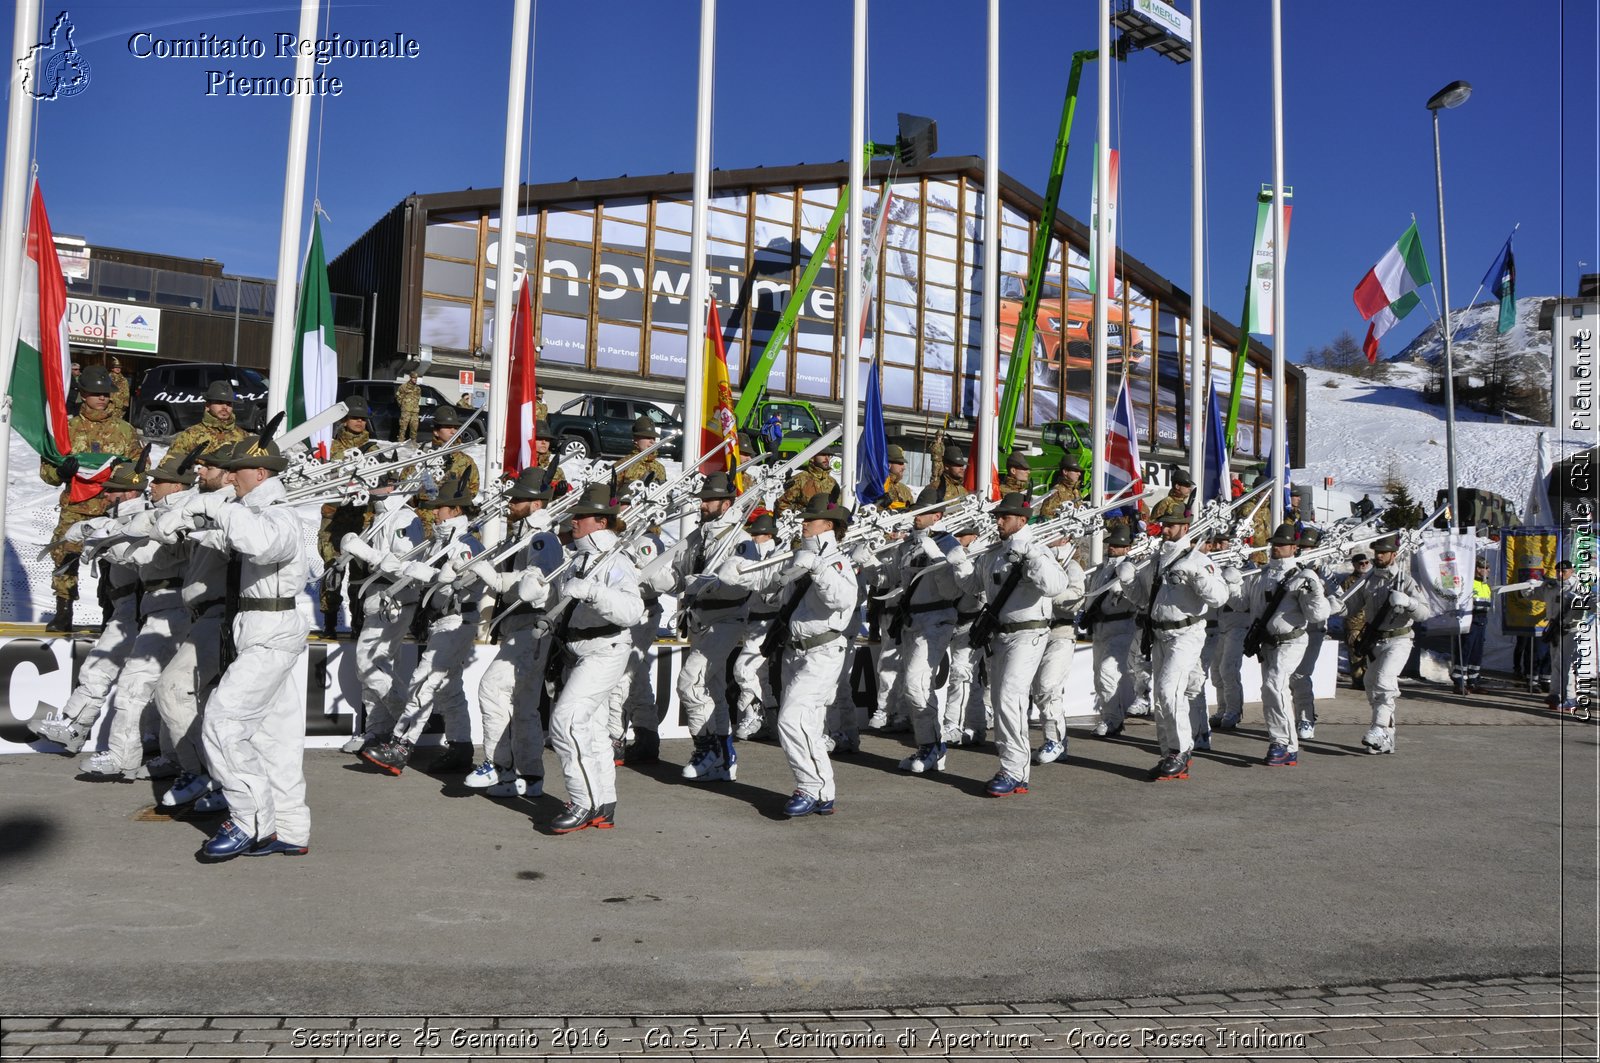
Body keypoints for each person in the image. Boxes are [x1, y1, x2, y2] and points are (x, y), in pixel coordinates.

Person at [154, 432, 312, 862]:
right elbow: (234, 540)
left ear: (260, 473)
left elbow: (262, 543)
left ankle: (249, 822)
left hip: (271, 628)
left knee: (222, 722)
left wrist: (212, 505)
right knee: (273, 737)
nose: (231, 478)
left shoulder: (279, 514)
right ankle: (291, 827)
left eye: (238, 471)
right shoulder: (258, 512)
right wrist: (188, 521)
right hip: (259, 626)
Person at [722, 495, 857, 817]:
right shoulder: (800, 554)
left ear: (830, 525)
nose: (804, 522)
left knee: (791, 720)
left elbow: (842, 600)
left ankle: (808, 787)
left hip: (823, 651)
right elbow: (770, 581)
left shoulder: (837, 561)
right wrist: (738, 575)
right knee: (807, 725)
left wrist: (820, 569)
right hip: (793, 651)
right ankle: (824, 792)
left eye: (812, 518)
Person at [531, 484, 646, 833]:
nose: (574, 521)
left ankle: (582, 801)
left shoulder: (616, 561)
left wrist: (595, 592)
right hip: (577, 650)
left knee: (566, 722)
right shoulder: (580, 557)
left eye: (580, 516)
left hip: (605, 648)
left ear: (600, 520)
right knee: (592, 732)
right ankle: (603, 802)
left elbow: (632, 611)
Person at [27, 458, 149, 767]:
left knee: (137, 686)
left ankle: (145, 748)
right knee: (97, 669)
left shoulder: (144, 521)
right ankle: (74, 726)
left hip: (142, 611)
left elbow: (136, 552)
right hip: (123, 609)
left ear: (131, 493)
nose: (106, 496)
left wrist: (101, 541)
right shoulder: (116, 519)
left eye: (113, 491)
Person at [358, 474, 482, 776]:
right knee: (447, 689)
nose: (434, 512)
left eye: (440, 507)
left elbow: (461, 584)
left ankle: (401, 745)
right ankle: (460, 747)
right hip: (442, 619)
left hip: (456, 619)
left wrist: (426, 575)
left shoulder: (464, 544)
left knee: (422, 682)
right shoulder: (444, 541)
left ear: (454, 511)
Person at [454, 466, 564, 796]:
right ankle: (528, 777)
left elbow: (536, 586)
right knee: (524, 706)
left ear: (535, 504)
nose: (511, 504)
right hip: (521, 625)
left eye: (518, 499)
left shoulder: (542, 538)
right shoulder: (524, 535)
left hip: (532, 624)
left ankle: (498, 764)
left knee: (491, 688)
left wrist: (498, 579)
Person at [645, 472, 758, 783]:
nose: (703, 505)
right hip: (700, 620)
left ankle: (705, 749)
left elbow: (745, 584)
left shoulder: (739, 539)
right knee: (714, 691)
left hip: (727, 618)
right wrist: (654, 580)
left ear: (726, 503)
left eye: (709, 500)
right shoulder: (698, 537)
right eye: (702, 500)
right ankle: (725, 756)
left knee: (690, 682)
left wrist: (711, 585)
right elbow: (680, 577)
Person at [955, 491, 1070, 796]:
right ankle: (1013, 768)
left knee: (1009, 698)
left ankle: (1013, 769)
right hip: (999, 635)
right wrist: (959, 564)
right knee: (1000, 701)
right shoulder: (993, 552)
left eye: (1004, 517)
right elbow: (973, 586)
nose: (999, 521)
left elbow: (1056, 586)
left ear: (1022, 519)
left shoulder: (1037, 549)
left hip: (1028, 633)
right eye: (997, 516)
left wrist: (1031, 558)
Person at [149, 443, 238, 812]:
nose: (199, 473)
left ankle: (201, 771)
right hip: (202, 616)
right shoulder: (204, 506)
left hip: (221, 617)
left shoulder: (231, 509)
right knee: (205, 706)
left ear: (231, 474)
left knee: (171, 689)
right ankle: (214, 777)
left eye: (209, 468)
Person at [1125, 510, 1228, 780]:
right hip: (1158, 635)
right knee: (1162, 696)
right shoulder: (1156, 562)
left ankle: (1180, 751)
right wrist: (1127, 581)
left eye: (1171, 526)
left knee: (1169, 690)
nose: (1166, 530)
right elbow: (1141, 598)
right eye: (1164, 525)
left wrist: (1197, 577)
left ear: (1185, 528)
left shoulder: (1199, 560)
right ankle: (1169, 752)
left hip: (1186, 634)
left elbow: (1219, 597)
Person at [39, 365, 141, 632]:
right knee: (64, 557)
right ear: (82, 394)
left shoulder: (125, 430)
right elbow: (47, 472)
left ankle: (112, 613)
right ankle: (64, 611)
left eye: (106, 393)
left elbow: (140, 468)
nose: (102, 398)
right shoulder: (67, 429)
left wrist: (123, 479)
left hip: (113, 508)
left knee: (115, 563)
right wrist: (60, 471)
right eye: (96, 393)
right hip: (76, 506)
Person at [334, 474, 426, 756]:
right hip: (377, 597)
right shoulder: (380, 515)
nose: (370, 489)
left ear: (392, 486)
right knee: (378, 668)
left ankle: (405, 726)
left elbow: (407, 567)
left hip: (396, 599)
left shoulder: (404, 519)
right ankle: (377, 729)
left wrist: (365, 552)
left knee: (368, 664)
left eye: (377, 482)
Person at [882, 488, 970, 774]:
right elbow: (891, 580)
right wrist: (870, 562)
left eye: (922, 512)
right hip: (910, 622)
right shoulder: (908, 544)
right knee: (915, 687)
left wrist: (939, 561)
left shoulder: (947, 543)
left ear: (938, 515)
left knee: (916, 684)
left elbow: (953, 590)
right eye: (915, 512)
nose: (916, 517)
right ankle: (929, 746)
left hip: (936, 620)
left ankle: (933, 746)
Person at [1332, 534, 1430, 754]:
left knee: (1385, 681)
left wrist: (1408, 602)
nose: (1379, 556)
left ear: (1393, 555)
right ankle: (1387, 736)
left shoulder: (1404, 580)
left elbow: (1425, 612)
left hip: (1399, 639)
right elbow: (1350, 606)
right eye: (1376, 552)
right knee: (1370, 682)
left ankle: (1378, 728)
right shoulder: (1368, 580)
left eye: (1383, 552)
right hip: (1375, 640)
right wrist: (1334, 604)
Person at [1247, 523, 1329, 767]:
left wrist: (1314, 591)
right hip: (1267, 642)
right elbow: (1252, 607)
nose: (1277, 548)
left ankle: (1280, 742)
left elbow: (1318, 614)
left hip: (1291, 641)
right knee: (1270, 690)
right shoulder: (1264, 575)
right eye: (1274, 544)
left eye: (1282, 544)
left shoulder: (1304, 576)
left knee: (1275, 685)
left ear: (1294, 547)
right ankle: (1288, 747)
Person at [317, 397, 380, 638]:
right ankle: (330, 624)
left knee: (359, 577)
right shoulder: (330, 448)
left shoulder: (375, 450)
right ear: (345, 420)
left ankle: (358, 625)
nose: (359, 422)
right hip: (334, 523)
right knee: (333, 573)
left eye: (363, 419)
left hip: (362, 522)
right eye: (355, 418)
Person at [1030, 521, 1087, 767]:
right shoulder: (1039, 563)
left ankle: (1055, 740)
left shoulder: (1071, 565)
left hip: (1060, 633)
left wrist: (1049, 594)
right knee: (1036, 690)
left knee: (1048, 686)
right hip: (1035, 632)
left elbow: (1076, 598)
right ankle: (1056, 741)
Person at [1081, 523, 1140, 738]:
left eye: (1118, 545)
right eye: (1111, 544)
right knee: (1099, 675)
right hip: (1100, 626)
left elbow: (1137, 599)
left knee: (1108, 672)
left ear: (1127, 548)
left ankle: (1113, 719)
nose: (1112, 548)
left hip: (1122, 626)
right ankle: (1111, 717)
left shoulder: (1131, 570)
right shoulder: (1101, 569)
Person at [732, 510, 782, 741]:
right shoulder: (751, 555)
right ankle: (770, 719)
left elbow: (776, 592)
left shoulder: (779, 557)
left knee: (743, 668)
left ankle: (756, 714)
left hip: (768, 621)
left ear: (769, 536)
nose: (754, 539)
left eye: (759, 535)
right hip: (751, 620)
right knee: (759, 675)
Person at [1526, 559, 1590, 714]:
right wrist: (1527, 587)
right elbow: (1533, 595)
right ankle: (1555, 694)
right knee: (1555, 662)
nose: (1560, 574)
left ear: (1571, 571)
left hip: (1571, 630)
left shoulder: (1578, 587)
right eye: (1558, 571)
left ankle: (1569, 698)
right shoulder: (1552, 587)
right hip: (1555, 630)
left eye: (1564, 571)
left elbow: (1589, 604)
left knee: (1566, 665)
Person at [160, 380, 248, 471]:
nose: (225, 407)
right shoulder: (190, 435)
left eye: (229, 403)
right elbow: (169, 466)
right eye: (219, 402)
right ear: (207, 405)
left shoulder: (243, 436)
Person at [1455, 556, 1493, 695]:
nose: (1486, 571)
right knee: (1465, 652)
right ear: (1477, 569)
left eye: (1487, 568)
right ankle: (1459, 682)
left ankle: (1473, 682)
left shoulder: (1485, 585)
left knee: (1477, 654)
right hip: (1470, 621)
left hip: (1482, 622)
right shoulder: (1469, 583)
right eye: (1483, 568)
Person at [775, 445, 839, 514]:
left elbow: (836, 506)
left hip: (824, 523)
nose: (827, 459)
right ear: (812, 457)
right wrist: (801, 512)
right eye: (823, 455)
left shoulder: (832, 482)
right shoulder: (799, 479)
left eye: (829, 456)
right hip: (803, 522)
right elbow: (781, 505)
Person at [1341, 554, 1373, 687]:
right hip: (1354, 623)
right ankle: (1359, 681)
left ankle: (1370, 679)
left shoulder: (1373, 578)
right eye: (1361, 563)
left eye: (1366, 562)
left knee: (1371, 652)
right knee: (1356, 652)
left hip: (1371, 621)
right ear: (1354, 565)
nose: (1364, 565)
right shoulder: (1348, 582)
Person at [615, 417, 667, 494]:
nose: (652, 441)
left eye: (653, 438)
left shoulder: (660, 468)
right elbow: (611, 495)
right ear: (636, 439)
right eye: (647, 437)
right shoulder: (623, 465)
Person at [1038, 454, 1088, 519]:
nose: (1079, 474)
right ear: (1065, 472)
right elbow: (1046, 517)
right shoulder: (1057, 492)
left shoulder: (1075, 491)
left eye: (1079, 471)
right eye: (1075, 471)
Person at [881, 445, 915, 509]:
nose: (903, 467)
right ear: (888, 464)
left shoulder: (904, 489)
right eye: (900, 463)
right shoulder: (878, 487)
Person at [395, 371, 422, 442]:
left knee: (414, 427)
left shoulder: (418, 388)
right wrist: (403, 405)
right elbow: (398, 397)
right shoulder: (403, 387)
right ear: (410, 378)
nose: (415, 379)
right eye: (413, 378)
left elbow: (418, 398)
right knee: (403, 427)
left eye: (416, 378)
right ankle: (400, 441)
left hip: (415, 411)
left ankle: (413, 441)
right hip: (406, 411)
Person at [107, 356, 131, 421]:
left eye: (119, 367)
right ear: (112, 368)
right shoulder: (107, 378)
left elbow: (126, 392)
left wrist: (126, 403)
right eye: (116, 367)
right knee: (107, 421)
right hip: (108, 404)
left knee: (117, 422)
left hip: (119, 405)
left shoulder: (124, 380)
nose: (118, 368)